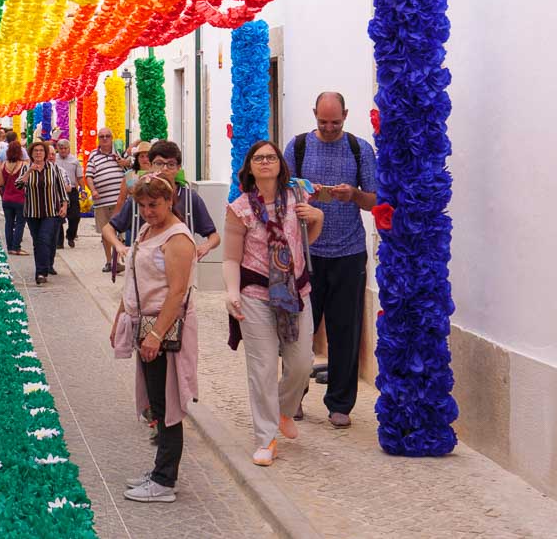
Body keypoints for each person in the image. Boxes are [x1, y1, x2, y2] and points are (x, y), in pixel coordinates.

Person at [224, 140, 324, 466]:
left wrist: (318, 217)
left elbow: (302, 242)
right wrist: (232, 292)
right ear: (250, 167)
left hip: (296, 293)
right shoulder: (239, 208)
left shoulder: (297, 199)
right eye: (258, 158)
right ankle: (266, 439)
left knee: (301, 364)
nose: (265, 162)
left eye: (271, 157)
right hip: (255, 294)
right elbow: (230, 258)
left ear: (280, 164)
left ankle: (283, 409)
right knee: (263, 368)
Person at [284, 92, 377, 428]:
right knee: (299, 332)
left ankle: (340, 404)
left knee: (345, 331)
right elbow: (280, 192)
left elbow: (373, 200)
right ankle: (293, 397)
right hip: (306, 253)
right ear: (314, 115)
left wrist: (353, 195)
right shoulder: (297, 147)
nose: (328, 127)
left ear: (346, 115)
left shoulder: (359, 149)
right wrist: (303, 192)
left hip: (349, 253)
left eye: (335, 122)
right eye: (323, 122)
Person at [109, 172, 198, 503]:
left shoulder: (177, 239)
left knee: (167, 404)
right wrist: (120, 315)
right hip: (145, 325)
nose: (148, 210)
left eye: (154, 204)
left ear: (170, 200)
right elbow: (133, 277)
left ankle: (164, 481)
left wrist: (157, 334)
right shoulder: (148, 230)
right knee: (156, 404)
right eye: (143, 205)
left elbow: (177, 292)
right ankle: (160, 470)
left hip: (163, 329)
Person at [103, 141, 220, 263]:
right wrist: (119, 245)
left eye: (171, 164)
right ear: (151, 165)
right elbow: (108, 229)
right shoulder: (141, 196)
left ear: (178, 168)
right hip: (144, 268)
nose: (164, 168)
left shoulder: (190, 198)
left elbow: (214, 236)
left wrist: (205, 246)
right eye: (159, 163)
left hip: (180, 266)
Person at [16, 141, 68, 284]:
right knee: (37, 242)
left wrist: (64, 205)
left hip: (51, 212)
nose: (38, 153)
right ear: (31, 154)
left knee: (44, 239)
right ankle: (43, 267)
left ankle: (41, 272)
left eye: (41, 151)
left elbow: (61, 189)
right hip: (32, 212)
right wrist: (29, 171)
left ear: (45, 154)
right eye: (35, 151)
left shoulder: (54, 168)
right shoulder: (26, 168)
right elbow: (18, 185)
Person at [86, 128, 130, 273]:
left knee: (120, 231)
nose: (104, 139)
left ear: (112, 138)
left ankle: (118, 260)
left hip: (121, 200)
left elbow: (133, 166)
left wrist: (124, 162)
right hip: (102, 201)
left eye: (107, 136)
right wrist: (93, 190)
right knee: (106, 232)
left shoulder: (119, 152)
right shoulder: (93, 155)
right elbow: (89, 176)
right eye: (101, 137)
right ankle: (109, 261)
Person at [54, 139, 86, 248]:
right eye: (61, 148)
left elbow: (80, 177)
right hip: (57, 191)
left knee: (75, 216)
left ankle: (71, 235)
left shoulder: (75, 161)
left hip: (71, 191)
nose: (63, 150)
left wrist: (83, 190)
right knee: (58, 217)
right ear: (57, 149)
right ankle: (59, 242)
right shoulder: (54, 159)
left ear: (69, 149)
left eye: (65, 148)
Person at [0, 141, 27, 256]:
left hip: (7, 198)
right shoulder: (24, 164)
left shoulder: (3, 164)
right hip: (20, 198)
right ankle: (16, 247)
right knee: (20, 223)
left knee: (8, 223)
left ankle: (10, 247)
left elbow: (0, 182)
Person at [114, 141, 153, 219]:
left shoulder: (158, 174)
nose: (145, 159)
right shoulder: (131, 175)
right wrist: (114, 220)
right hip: (133, 217)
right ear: (137, 159)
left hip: (153, 216)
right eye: (141, 156)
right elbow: (121, 199)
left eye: (147, 156)